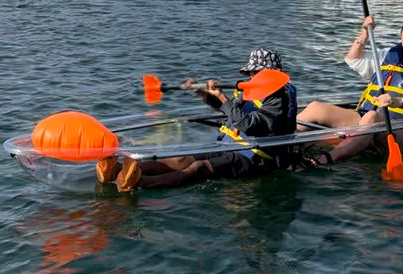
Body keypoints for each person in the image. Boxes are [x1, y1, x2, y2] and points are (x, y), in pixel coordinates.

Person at [97, 48, 297, 190]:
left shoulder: (279, 98)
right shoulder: (251, 90)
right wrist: (207, 97)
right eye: (251, 73)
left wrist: (221, 96)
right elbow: (230, 112)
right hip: (230, 146)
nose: (252, 77)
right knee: (180, 159)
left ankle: (138, 183)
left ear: (270, 74)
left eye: (256, 73)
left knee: (198, 169)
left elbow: (247, 125)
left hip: (256, 158)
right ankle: (118, 172)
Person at [296, 13, 403, 164]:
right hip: (367, 119)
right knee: (315, 108)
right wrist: (364, 35)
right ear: (401, 34)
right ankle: (282, 142)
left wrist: (397, 101)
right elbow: (354, 60)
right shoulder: (389, 54)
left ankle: (325, 159)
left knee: (372, 117)